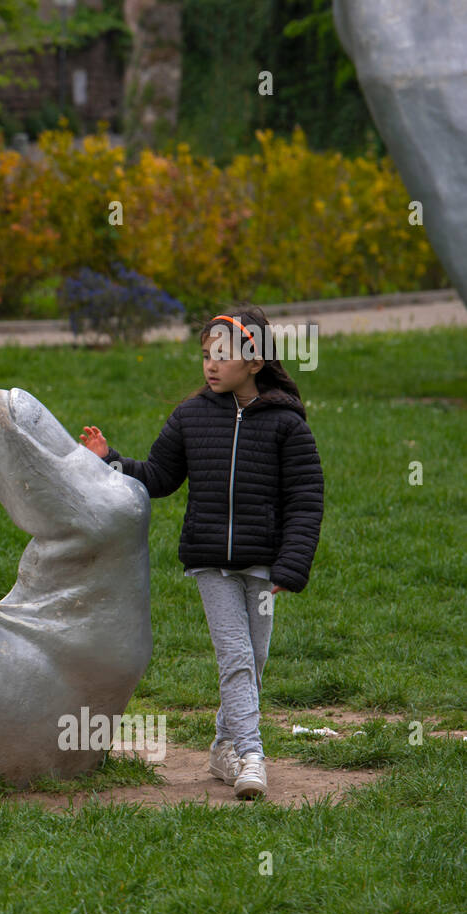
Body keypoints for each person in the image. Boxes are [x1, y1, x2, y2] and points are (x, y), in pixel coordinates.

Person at [78, 306, 324, 799]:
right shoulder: (191, 416)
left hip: (262, 563)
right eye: (206, 354)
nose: (210, 365)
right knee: (235, 658)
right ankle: (253, 756)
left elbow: (306, 498)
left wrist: (291, 565)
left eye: (222, 354)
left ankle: (222, 748)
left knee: (254, 658)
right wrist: (110, 462)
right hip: (211, 561)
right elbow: (159, 477)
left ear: (254, 360)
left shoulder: (286, 425)